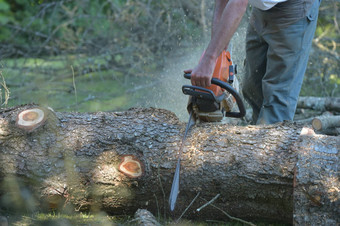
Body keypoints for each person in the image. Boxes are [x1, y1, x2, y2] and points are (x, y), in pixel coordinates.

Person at [185, 0, 321, 124]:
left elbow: (238, 3)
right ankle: (256, 140)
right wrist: (217, 57)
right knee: (253, 87)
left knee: (277, 100)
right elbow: (222, 2)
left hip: (294, 9)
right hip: (263, 9)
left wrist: (209, 59)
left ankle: (270, 147)